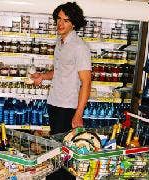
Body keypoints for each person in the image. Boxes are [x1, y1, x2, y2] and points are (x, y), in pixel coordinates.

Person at [32, 2, 91, 179]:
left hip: (68, 106)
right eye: (59, 19)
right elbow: (60, 71)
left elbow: (86, 82)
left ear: (74, 23)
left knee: (66, 152)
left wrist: (78, 113)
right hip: (54, 101)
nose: (61, 23)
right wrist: (43, 76)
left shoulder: (80, 47)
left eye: (66, 20)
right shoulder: (60, 41)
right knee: (55, 149)